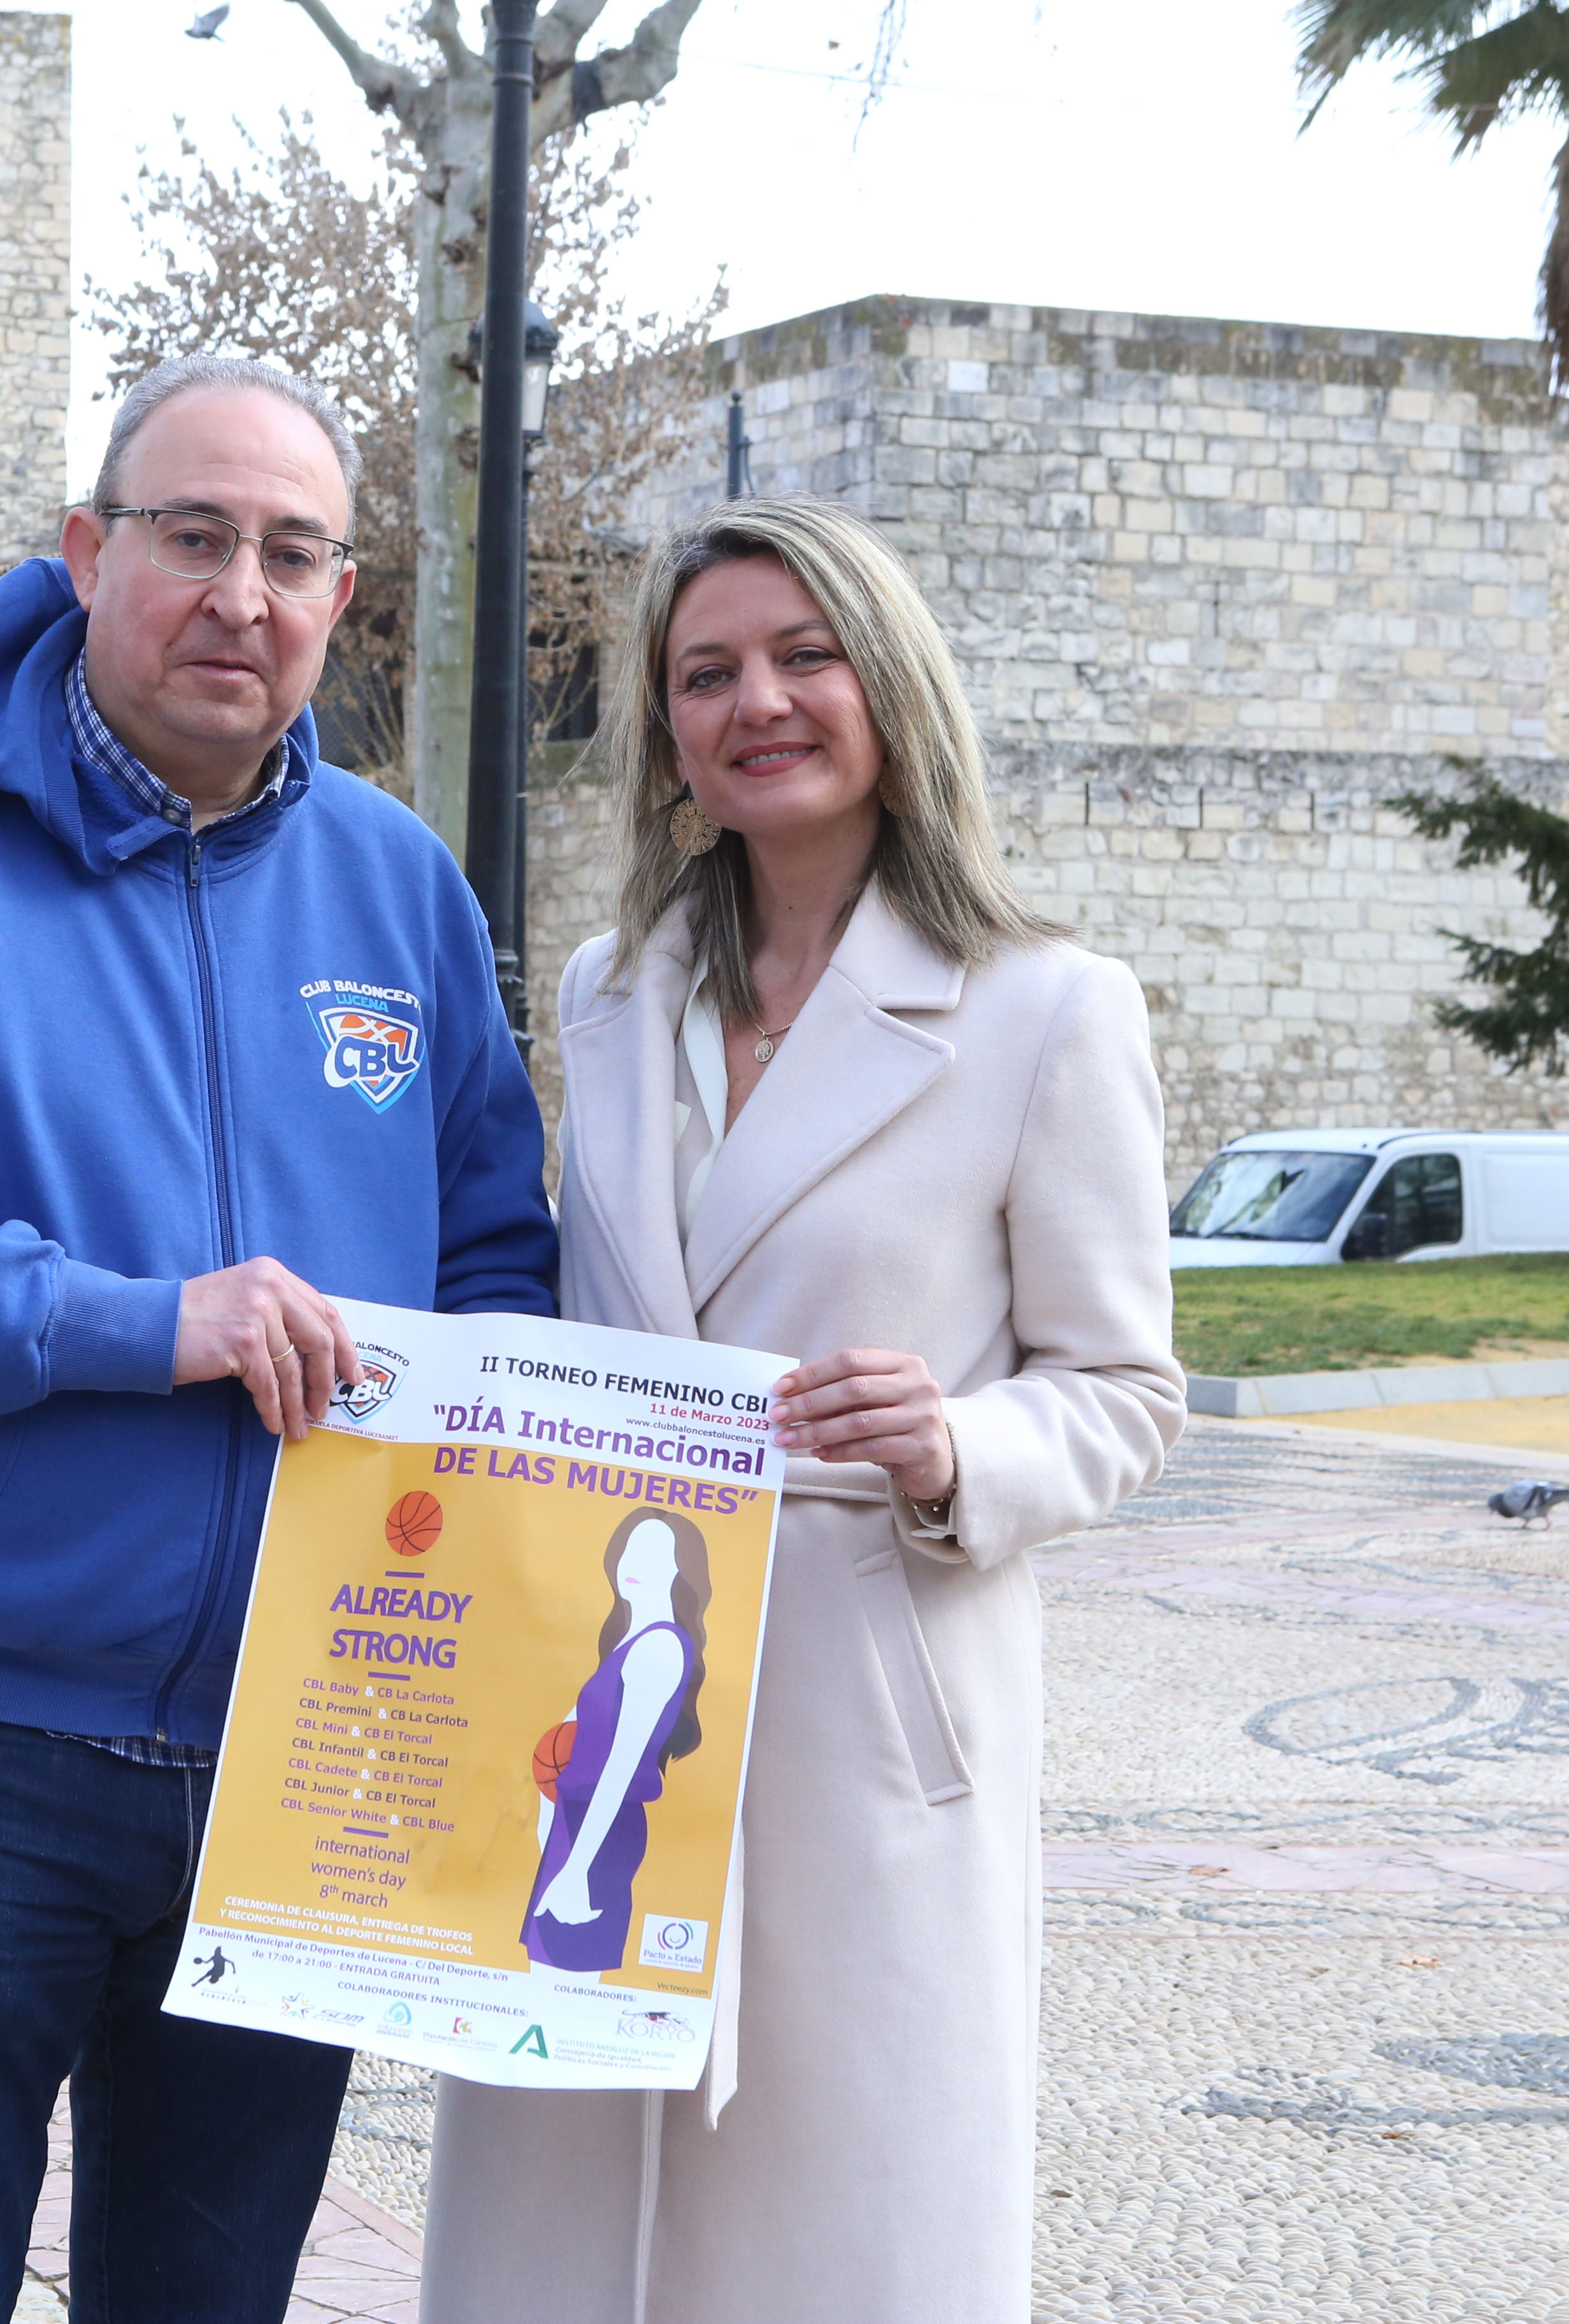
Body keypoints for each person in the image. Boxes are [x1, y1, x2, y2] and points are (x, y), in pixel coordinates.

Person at [0, 354, 556, 2324]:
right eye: (195, 536)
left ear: (340, 597)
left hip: (294, 1761)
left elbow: (497, 1254)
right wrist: (134, 1327)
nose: (244, 591)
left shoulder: (399, 891)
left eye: (294, 551)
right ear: (87, 556)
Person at [420, 498, 1184, 2324]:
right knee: (564, 2229)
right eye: (706, 674)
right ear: (666, 731)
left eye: (801, 655)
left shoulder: (1046, 1011)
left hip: (867, 1717)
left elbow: (1128, 1389)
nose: (757, 701)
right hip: (601, 1713)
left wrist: (958, 1447)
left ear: (891, 689)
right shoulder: (611, 996)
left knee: (845, 2241)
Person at [522, 1508, 711, 1972]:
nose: (636, 1564)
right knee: (544, 1978)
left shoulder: (660, 1647)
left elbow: (622, 1766)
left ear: (678, 1571)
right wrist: (552, 1821)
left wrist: (578, 1867)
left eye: (655, 1555)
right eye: (632, 1548)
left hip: (601, 1830)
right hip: (580, 1822)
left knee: (566, 1983)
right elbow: (573, 1743)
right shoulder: (631, 1640)